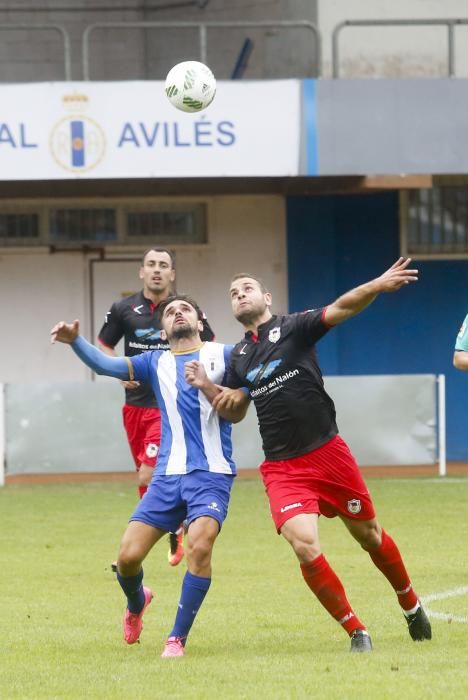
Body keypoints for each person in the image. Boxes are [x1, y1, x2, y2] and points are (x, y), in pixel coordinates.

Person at [200, 257, 432, 652]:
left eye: (247, 289)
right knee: (304, 544)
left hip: (328, 454)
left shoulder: (294, 327)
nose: (240, 296)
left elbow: (341, 308)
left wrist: (376, 285)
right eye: (233, 294)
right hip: (283, 467)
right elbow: (237, 409)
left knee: (370, 537)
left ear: (266, 297)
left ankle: (409, 602)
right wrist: (207, 385)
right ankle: (356, 630)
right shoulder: (237, 357)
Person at [50, 295, 235, 658]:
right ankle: (138, 602)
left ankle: (176, 639)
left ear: (200, 321)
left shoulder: (225, 355)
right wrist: (75, 341)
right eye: (169, 312)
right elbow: (105, 364)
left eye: (184, 309)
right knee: (128, 558)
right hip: (167, 478)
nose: (177, 313)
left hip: (211, 474)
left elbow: (249, 387)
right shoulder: (154, 361)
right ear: (163, 330)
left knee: (199, 545)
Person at [97, 247, 214, 567]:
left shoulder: (184, 309)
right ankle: (166, 528)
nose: (157, 270)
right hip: (135, 405)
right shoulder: (123, 308)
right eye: (151, 265)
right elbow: (104, 343)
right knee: (145, 474)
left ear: (172, 274)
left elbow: (209, 343)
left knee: (149, 472)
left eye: (163, 265)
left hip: (171, 405)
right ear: (142, 271)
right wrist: (117, 373)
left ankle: (164, 532)